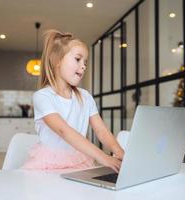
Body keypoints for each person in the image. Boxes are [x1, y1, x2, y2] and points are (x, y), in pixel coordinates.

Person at [23, 29, 124, 172]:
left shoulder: (85, 97)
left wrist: (121, 153)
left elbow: (102, 131)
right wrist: (104, 157)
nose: (83, 66)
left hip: (79, 162)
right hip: (49, 165)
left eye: (85, 62)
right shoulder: (42, 96)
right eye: (78, 59)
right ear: (57, 61)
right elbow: (64, 131)